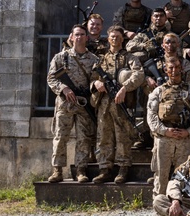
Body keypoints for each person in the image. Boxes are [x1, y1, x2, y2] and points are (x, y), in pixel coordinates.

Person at [90, 25, 143, 184]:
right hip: (104, 102)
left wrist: (125, 88)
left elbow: (139, 74)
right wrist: (95, 85)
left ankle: (123, 168)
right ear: (108, 38)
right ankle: (105, 169)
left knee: (123, 137)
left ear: (123, 39)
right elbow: (92, 78)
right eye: (112, 36)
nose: (115, 39)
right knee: (104, 137)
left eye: (118, 37)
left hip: (122, 102)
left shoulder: (130, 58)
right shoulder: (101, 58)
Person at [47, 25, 99, 183]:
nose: (79, 37)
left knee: (83, 138)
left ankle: (81, 170)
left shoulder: (94, 59)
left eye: (82, 34)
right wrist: (63, 88)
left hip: (83, 105)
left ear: (87, 37)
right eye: (76, 34)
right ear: (71, 37)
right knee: (60, 136)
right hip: (65, 104)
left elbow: (96, 80)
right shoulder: (61, 57)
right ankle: (57, 170)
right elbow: (51, 78)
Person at [147, 58, 190, 196]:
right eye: (170, 68)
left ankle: (179, 203)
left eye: (177, 67)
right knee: (161, 174)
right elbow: (151, 116)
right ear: (166, 70)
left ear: (181, 69)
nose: (174, 70)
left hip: (184, 138)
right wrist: (165, 131)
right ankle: (160, 204)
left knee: (183, 175)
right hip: (164, 138)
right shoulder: (158, 91)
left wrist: (189, 132)